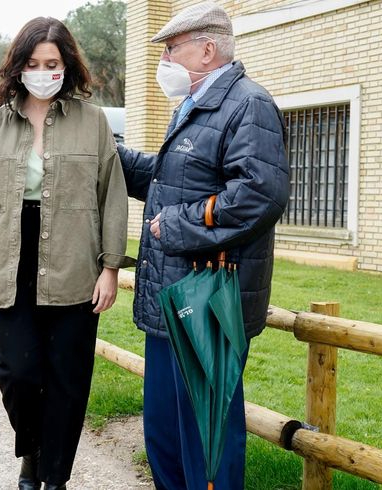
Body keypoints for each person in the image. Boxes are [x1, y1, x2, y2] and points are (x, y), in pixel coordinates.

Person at [0, 16, 134, 490]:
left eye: (51, 63)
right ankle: (31, 449)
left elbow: (110, 197)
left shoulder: (92, 122)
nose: (43, 71)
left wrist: (110, 267)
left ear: (67, 65)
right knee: (16, 370)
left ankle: (53, 477)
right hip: (11, 259)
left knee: (68, 381)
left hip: (75, 262)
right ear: (18, 67)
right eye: (33, 62)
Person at [117, 2, 289, 489]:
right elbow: (172, 180)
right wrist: (111, 156)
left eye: (172, 49)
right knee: (167, 438)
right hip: (171, 298)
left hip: (210, 301)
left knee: (207, 446)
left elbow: (260, 193)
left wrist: (177, 225)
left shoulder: (248, 104)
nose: (165, 61)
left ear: (208, 50)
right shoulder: (193, 107)